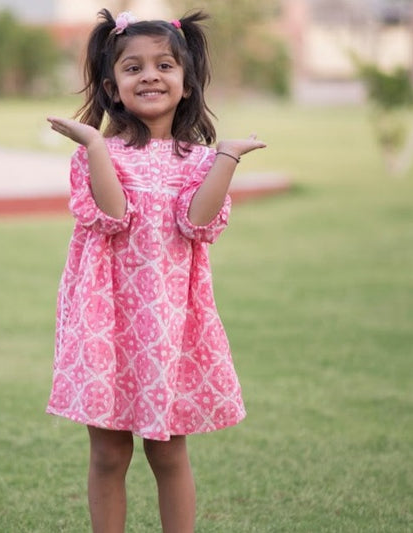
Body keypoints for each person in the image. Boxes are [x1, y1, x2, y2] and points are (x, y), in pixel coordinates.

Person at [46, 8, 266, 533]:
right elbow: (113, 214)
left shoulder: (197, 160)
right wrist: (97, 144)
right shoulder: (97, 155)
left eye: (165, 65)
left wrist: (227, 157)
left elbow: (197, 223)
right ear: (111, 86)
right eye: (133, 67)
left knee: (167, 453)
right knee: (107, 454)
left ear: (186, 83)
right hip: (106, 323)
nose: (150, 75)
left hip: (168, 327)